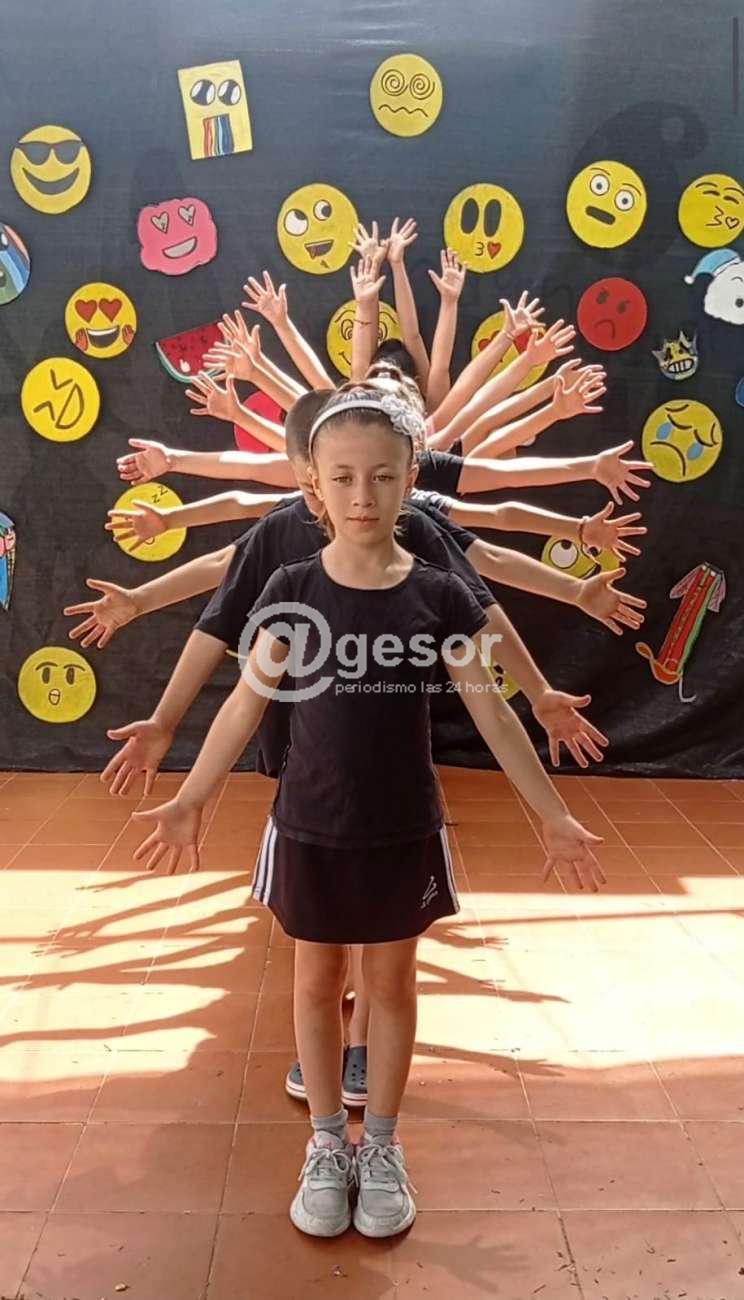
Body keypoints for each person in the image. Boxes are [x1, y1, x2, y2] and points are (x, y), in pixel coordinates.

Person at [131, 378, 606, 1240]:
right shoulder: (290, 586)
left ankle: (379, 1144)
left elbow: (495, 715)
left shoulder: (441, 593)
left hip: (403, 827)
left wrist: (552, 815)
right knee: (315, 983)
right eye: (343, 478)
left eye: (383, 477)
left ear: (409, 478)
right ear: (312, 484)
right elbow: (243, 704)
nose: (363, 496)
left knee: (390, 984)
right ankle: (325, 1143)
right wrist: (191, 797)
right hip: (309, 825)